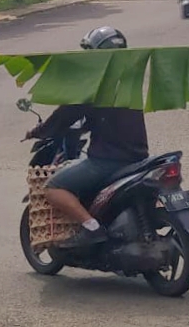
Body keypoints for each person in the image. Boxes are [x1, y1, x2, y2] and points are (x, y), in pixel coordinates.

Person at [24, 26, 149, 249]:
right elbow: (104, 118)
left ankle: (92, 228)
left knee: (54, 187)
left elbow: (63, 116)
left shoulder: (93, 87)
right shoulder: (128, 81)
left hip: (108, 161)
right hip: (139, 158)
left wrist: (39, 131)